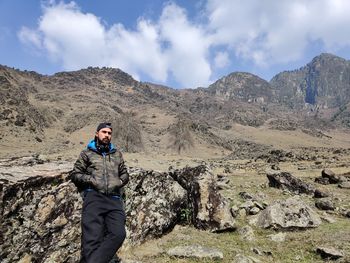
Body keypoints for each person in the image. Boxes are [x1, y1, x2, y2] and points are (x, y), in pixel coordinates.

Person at [71, 122, 129, 263]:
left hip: (114, 199)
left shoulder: (117, 154)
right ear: (97, 134)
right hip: (94, 197)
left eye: (109, 133)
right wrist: (91, 180)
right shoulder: (87, 153)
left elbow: (125, 174)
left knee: (119, 234)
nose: (107, 135)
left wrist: (120, 182)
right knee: (91, 240)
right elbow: (75, 174)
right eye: (104, 132)